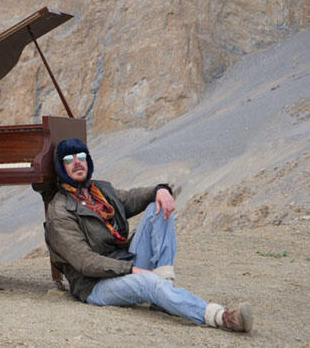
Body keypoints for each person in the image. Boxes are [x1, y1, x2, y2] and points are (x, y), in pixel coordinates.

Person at [44, 138, 253, 333]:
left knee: (157, 208)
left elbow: (132, 198)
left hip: (122, 259)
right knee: (148, 283)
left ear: (88, 161)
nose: (77, 163)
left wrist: (160, 190)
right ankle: (222, 317)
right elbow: (84, 262)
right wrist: (132, 270)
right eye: (69, 160)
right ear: (61, 167)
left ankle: (163, 293)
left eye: (81, 157)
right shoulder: (60, 211)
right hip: (95, 284)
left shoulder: (99, 190)